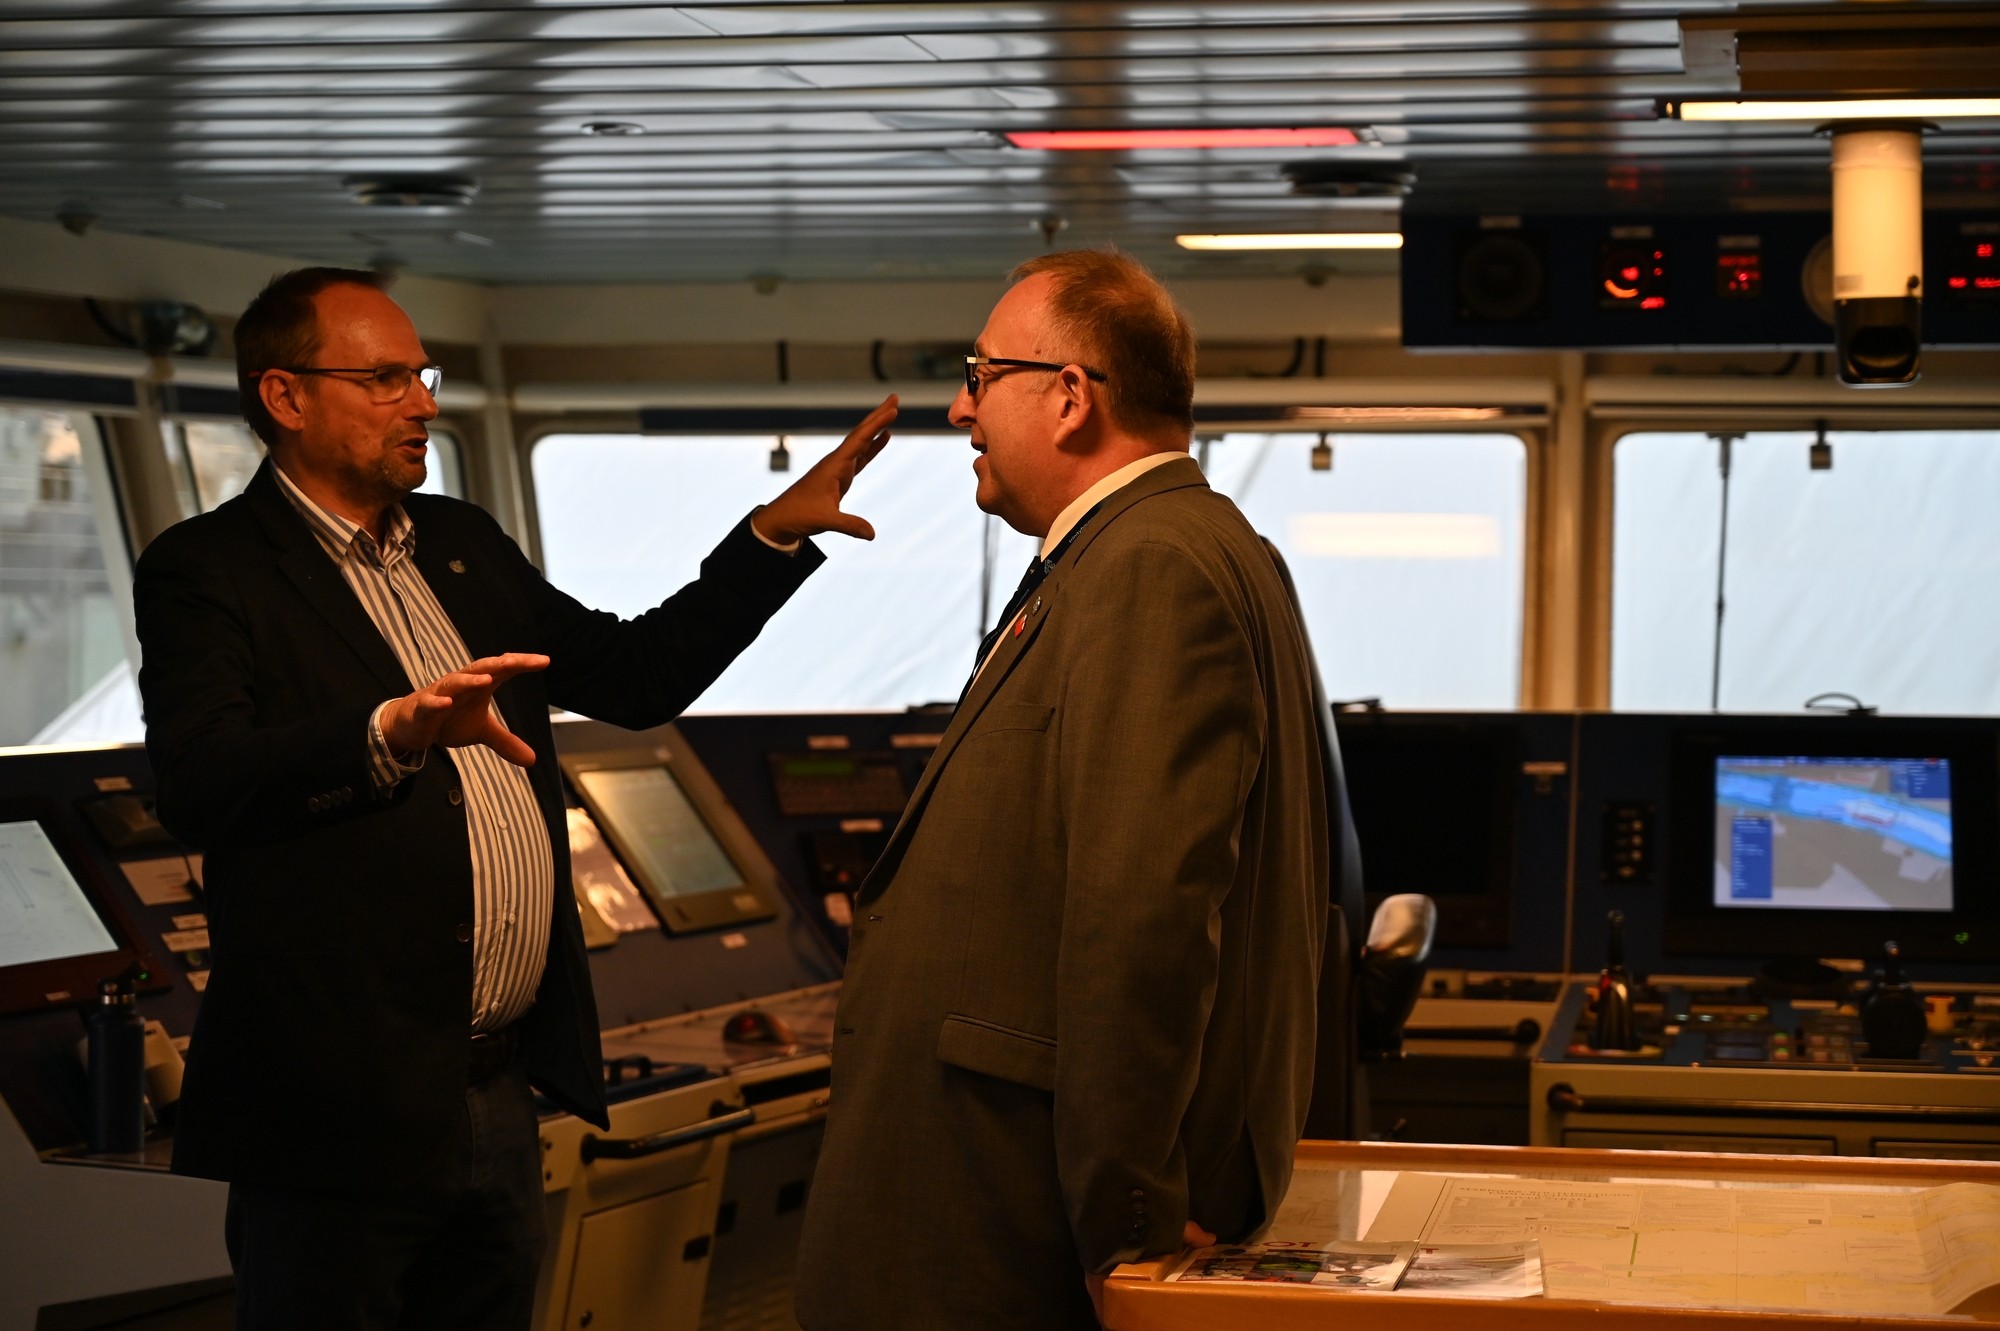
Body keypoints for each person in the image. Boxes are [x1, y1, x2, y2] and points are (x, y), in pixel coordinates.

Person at [133, 266, 896, 1330]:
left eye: (424, 376)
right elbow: (201, 781)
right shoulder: (209, 569)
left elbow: (635, 676)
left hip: (495, 1087)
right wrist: (390, 732)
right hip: (336, 1111)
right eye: (385, 379)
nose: (422, 402)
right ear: (285, 396)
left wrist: (769, 536)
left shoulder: (460, 543)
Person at [795, 250, 1329, 1330]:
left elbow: (1142, 918)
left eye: (981, 375)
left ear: (1071, 396)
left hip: (1017, 1217)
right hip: (1005, 1196)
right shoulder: (1180, 549)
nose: (961, 408)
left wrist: (1125, 1221)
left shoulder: (1149, 566)